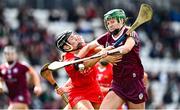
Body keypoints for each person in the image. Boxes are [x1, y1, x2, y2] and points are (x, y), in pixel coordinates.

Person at [77, 9, 148, 109]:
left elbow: (126, 49)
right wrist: (77, 58)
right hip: (118, 84)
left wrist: (108, 52)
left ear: (122, 21)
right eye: (108, 23)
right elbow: (89, 46)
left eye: (113, 21)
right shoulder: (107, 37)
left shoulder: (131, 33)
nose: (110, 25)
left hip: (133, 83)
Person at [41, 31, 120, 110]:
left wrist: (107, 51)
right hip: (78, 92)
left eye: (74, 36)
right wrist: (100, 55)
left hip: (94, 89)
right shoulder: (68, 61)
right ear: (66, 47)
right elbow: (87, 64)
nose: (76, 37)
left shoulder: (84, 48)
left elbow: (99, 49)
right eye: (72, 38)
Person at [0, 45, 42, 110]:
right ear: (4, 55)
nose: (10, 55)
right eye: (7, 54)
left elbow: (33, 73)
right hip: (12, 98)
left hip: (22, 95)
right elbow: (1, 80)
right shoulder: (2, 68)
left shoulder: (22, 65)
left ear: (15, 55)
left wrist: (37, 86)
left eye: (12, 54)